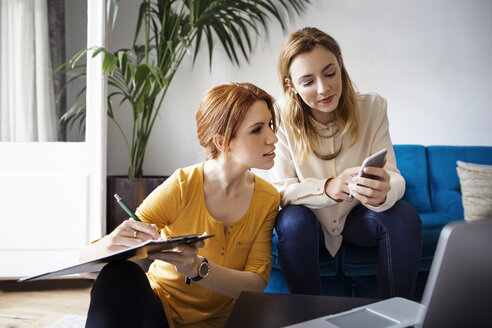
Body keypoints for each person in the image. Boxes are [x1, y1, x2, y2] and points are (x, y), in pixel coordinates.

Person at [82, 82, 280, 328]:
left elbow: (255, 284)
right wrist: (108, 244)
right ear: (222, 141)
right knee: (118, 275)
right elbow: (87, 258)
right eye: (257, 130)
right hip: (159, 314)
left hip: (221, 323)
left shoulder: (268, 197)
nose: (273, 137)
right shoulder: (182, 186)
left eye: (270, 125)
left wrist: (196, 267)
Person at [269, 27, 422, 299]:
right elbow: (280, 191)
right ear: (290, 85)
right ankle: (306, 317)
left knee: (404, 216)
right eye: (307, 81)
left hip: (358, 219)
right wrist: (326, 189)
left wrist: (385, 191)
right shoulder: (279, 118)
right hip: (308, 226)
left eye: (330, 73)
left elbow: (394, 176)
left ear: (340, 63)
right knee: (292, 221)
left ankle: (398, 316)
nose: (324, 88)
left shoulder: (373, 107)